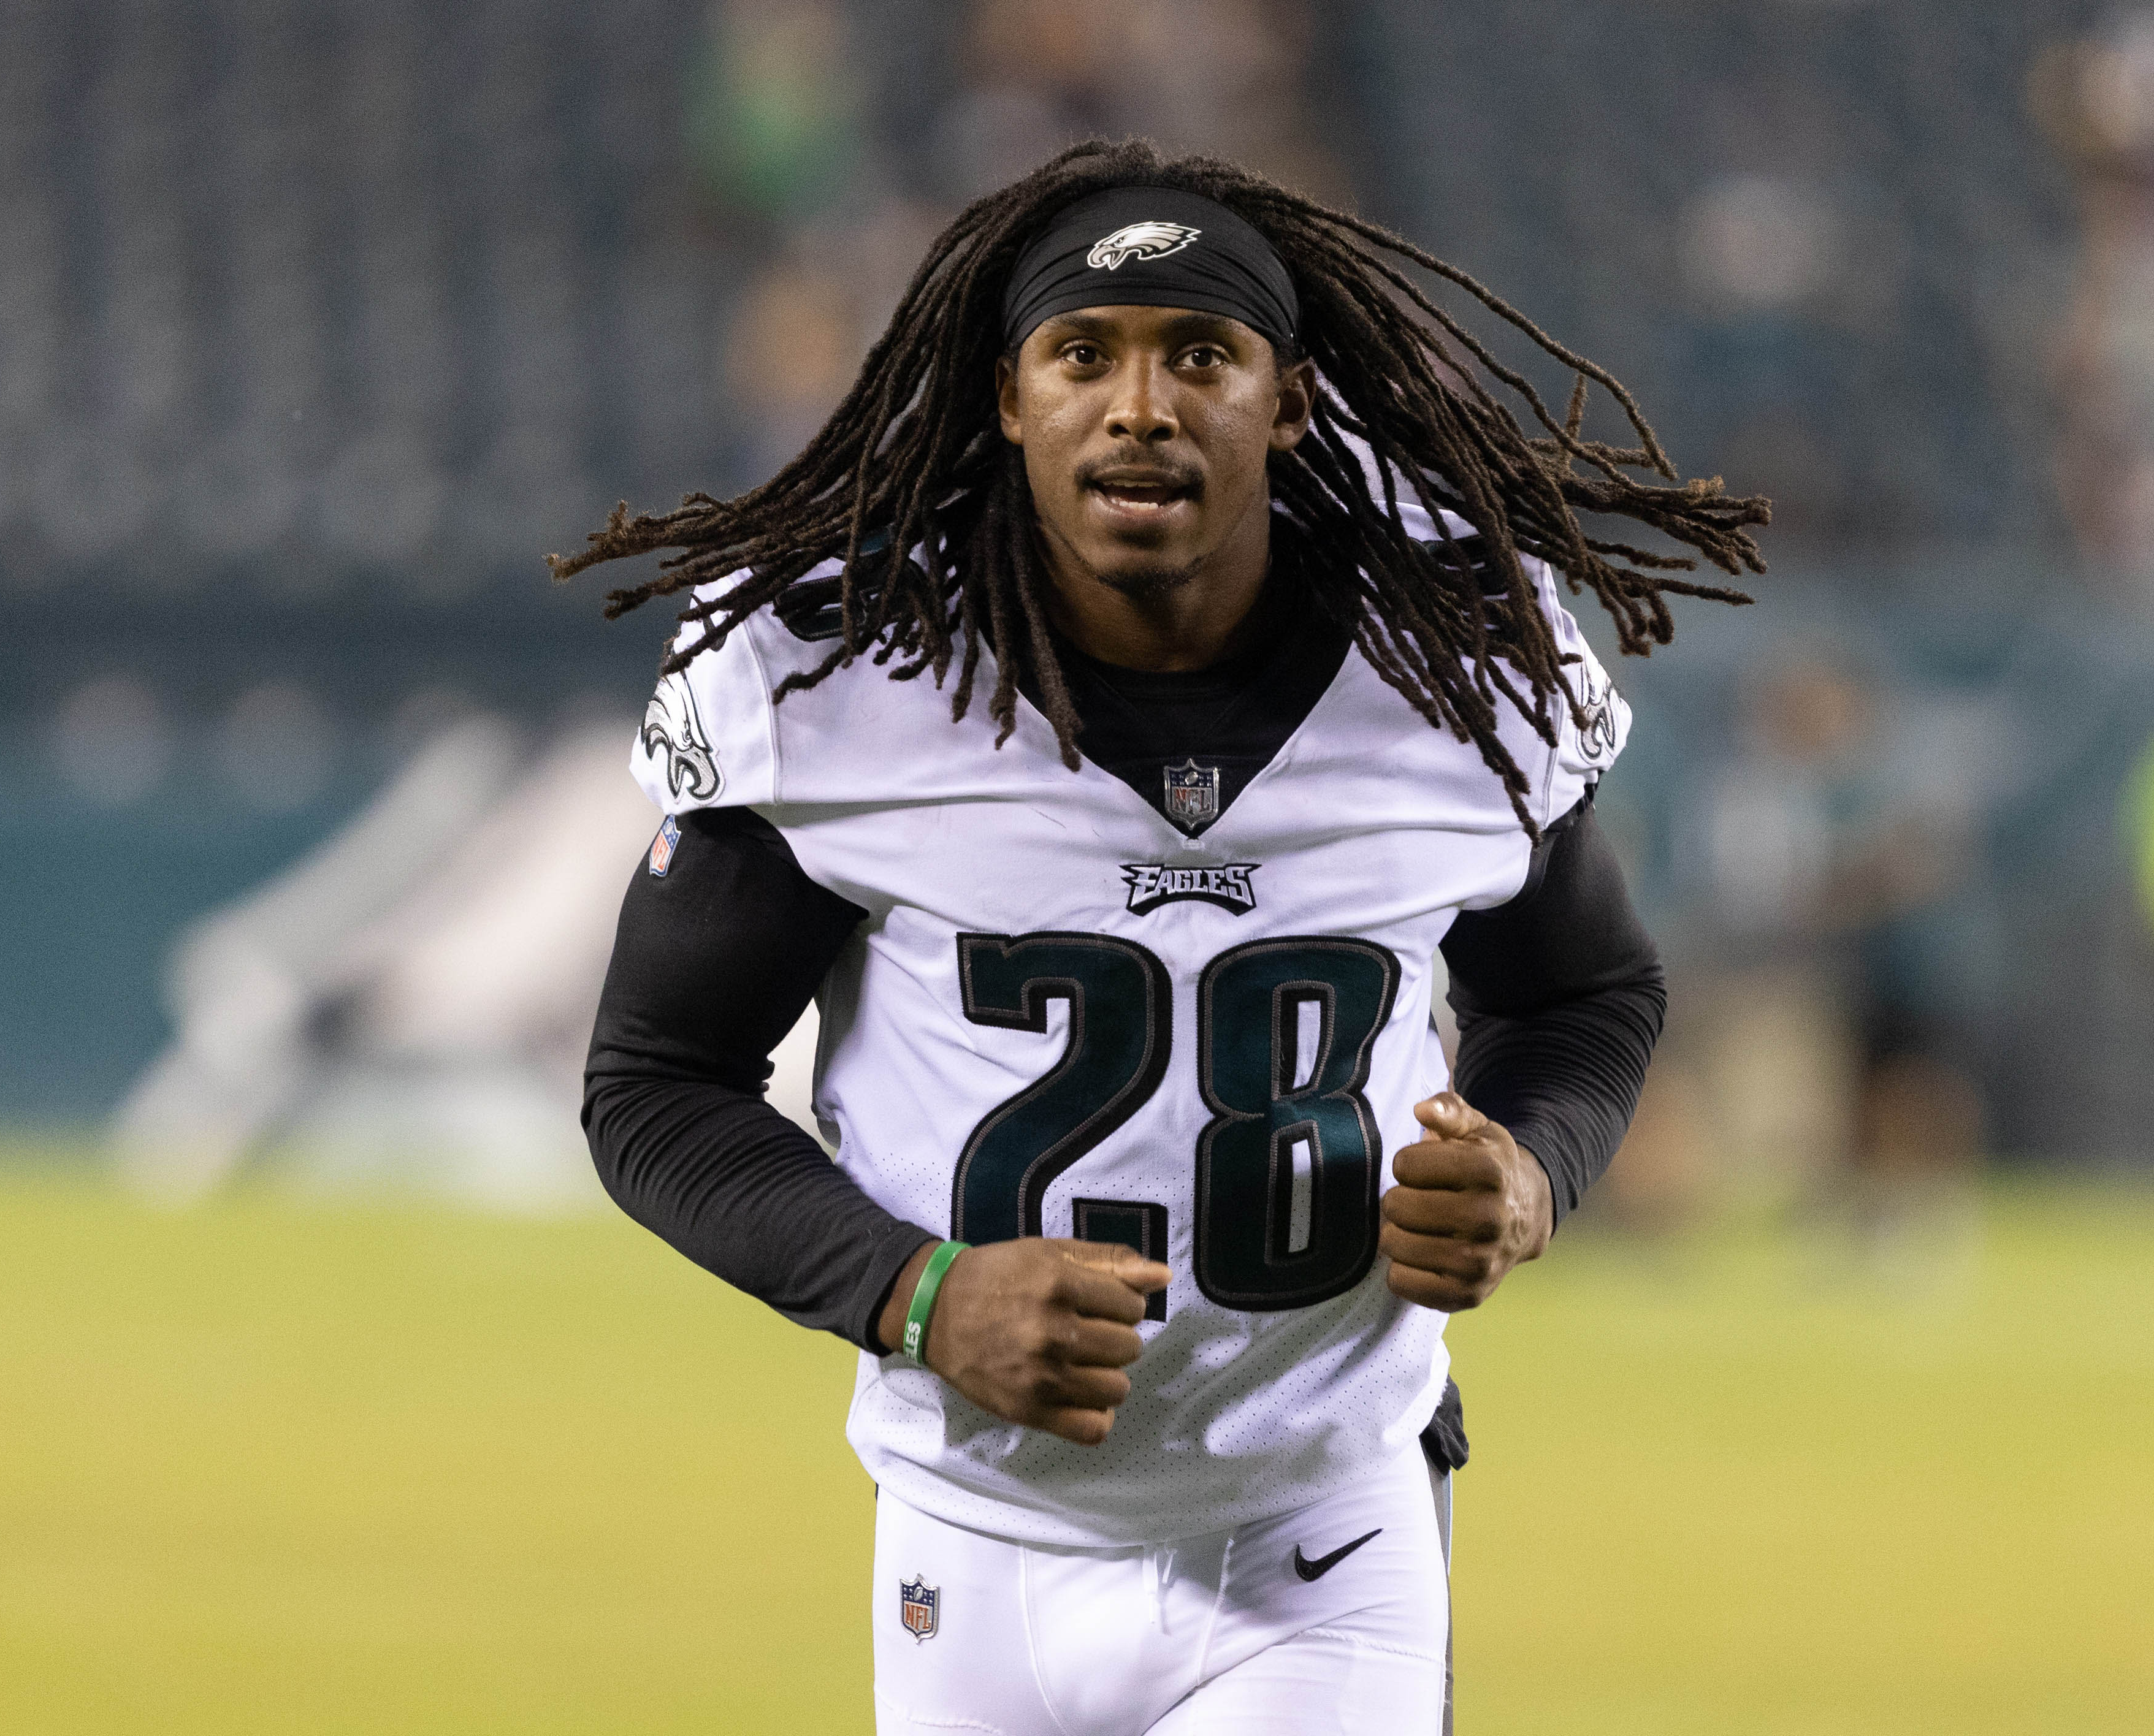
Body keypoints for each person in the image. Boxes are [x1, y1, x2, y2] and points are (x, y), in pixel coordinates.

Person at [558, 140, 1765, 1734]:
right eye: (1083, 353)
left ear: (1291, 398)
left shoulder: (1463, 666)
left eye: (1202, 353)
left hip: (1319, 1538)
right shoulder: (836, 678)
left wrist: (1534, 1171)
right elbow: (653, 1084)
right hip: (965, 1545)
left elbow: (1591, 992)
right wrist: (917, 1296)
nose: (1140, 403)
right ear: (1006, 400)